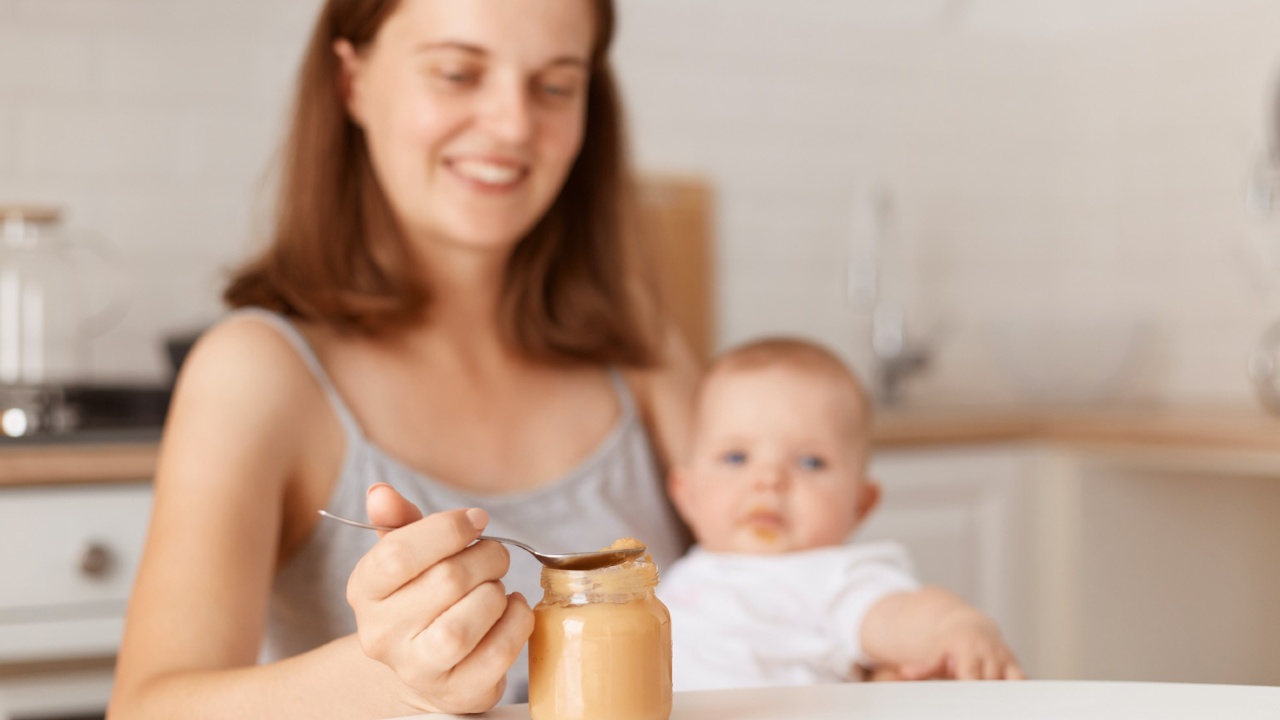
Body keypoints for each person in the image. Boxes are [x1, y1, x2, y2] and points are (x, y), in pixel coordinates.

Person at [106, 1, 697, 717]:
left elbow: (792, 580)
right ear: (352, 81)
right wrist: (389, 682)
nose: (513, 125)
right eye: (456, 73)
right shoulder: (257, 373)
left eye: (555, 86)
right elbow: (146, 710)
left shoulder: (640, 349)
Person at [660, 337, 1024, 691]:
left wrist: (955, 629)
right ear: (686, 494)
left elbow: (899, 615)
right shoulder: (677, 579)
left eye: (809, 461)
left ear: (860, 505)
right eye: (736, 457)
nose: (769, 480)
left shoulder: (836, 579)